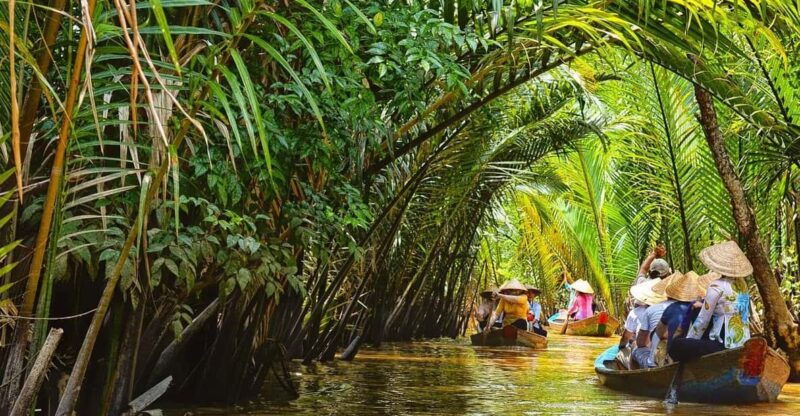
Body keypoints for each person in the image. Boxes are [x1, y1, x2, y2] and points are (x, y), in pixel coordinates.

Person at [670, 241, 753, 362]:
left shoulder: (716, 285)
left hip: (723, 345)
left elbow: (703, 320)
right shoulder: (743, 286)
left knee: (676, 345)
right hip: (743, 343)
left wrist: (689, 341)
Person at [620, 246, 671, 347]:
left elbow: (643, 269)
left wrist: (653, 255)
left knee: (634, 344)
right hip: (665, 344)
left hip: (643, 343)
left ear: (650, 272)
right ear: (667, 275)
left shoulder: (642, 283)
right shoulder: (669, 290)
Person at [631, 271, 682, 368]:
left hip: (655, 363)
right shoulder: (691, 308)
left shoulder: (652, 309)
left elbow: (640, 343)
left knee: (635, 348)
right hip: (679, 360)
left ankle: (631, 376)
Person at [619, 277, 667, 349]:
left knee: (631, 348)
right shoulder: (670, 309)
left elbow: (626, 338)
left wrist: (620, 348)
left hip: (648, 353)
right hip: (666, 351)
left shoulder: (636, 312)